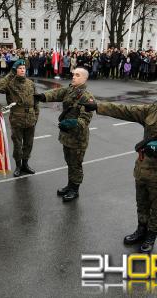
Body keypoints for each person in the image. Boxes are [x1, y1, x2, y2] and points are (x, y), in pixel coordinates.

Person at [80, 76, 157, 253]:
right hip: (142, 170)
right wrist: (98, 106)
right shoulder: (154, 109)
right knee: (141, 204)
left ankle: (151, 237)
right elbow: (127, 109)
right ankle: (141, 230)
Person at [33, 67, 94, 202]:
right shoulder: (70, 90)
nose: (73, 77)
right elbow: (57, 93)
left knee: (76, 164)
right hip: (67, 135)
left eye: (77, 75)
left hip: (78, 138)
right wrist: (43, 96)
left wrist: (72, 123)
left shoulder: (87, 97)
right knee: (69, 162)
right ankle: (70, 185)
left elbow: (85, 120)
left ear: (84, 79)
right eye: (73, 75)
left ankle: (75, 190)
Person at [0, 59, 39, 177]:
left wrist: (36, 117)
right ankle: (18, 166)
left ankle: (25, 164)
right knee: (17, 144)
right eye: (20, 68)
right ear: (16, 70)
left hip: (30, 117)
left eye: (24, 68)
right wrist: (11, 73)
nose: (22, 70)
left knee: (28, 143)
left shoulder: (31, 83)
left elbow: (36, 102)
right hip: (16, 117)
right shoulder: (10, 83)